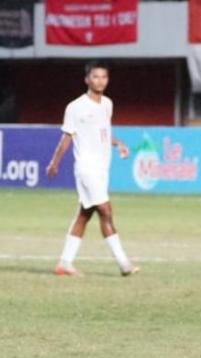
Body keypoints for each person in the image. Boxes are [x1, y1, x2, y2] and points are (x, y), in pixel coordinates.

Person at [45, 60, 138, 277]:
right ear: (87, 79)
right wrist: (54, 162)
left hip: (102, 169)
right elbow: (66, 137)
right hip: (86, 168)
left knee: (85, 214)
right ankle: (124, 264)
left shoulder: (107, 104)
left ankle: (64, 263)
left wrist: (119, 144)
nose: (100, 81)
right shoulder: (75, 107)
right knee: (105, 210)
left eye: (104, 77)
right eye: (95, 77)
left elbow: (102, 134)